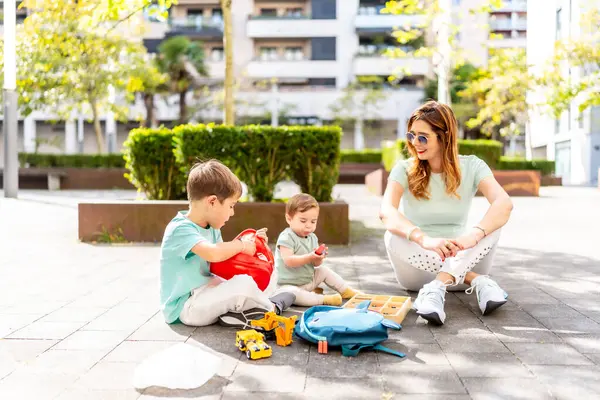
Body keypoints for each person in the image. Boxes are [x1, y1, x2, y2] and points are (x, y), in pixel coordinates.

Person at [379, 101, 514, 325]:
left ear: (445, 136)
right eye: (412, 136)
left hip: (466, 254)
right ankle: (478, 282)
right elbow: (386, 211)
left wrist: (473, 236)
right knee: (392, 235)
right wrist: (425, 240)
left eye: (423, 137)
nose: (415, 143)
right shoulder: (404, 168)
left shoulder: (473, 166)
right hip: (417, 265)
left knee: (494, 225)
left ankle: (436, 288)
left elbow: (504, 203)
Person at [159, 159, 295, 328]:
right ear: (212, 202)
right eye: (231, 206)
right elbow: (214, 253)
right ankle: (271, 307)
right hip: (186, 307)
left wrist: (256, 247)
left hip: (208, 291)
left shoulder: (211, 228)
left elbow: (225, 262)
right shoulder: (180, 229)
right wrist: (242, 245)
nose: (232, 213)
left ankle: (241, 310)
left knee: (268, 273)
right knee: (243, 285)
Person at [274, 193, 360, 306]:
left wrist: (318, 257)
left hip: (308, 281)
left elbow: (315, 264)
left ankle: (345, 291)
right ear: (289, 219)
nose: (308, 225)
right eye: (303, 221)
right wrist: (310, 256)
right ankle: (323, 299)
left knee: (323, 270)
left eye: (313, 221)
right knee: (293, 294)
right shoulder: (286, 237)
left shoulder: (312, 237)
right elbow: (289, 261)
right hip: (288, 285)